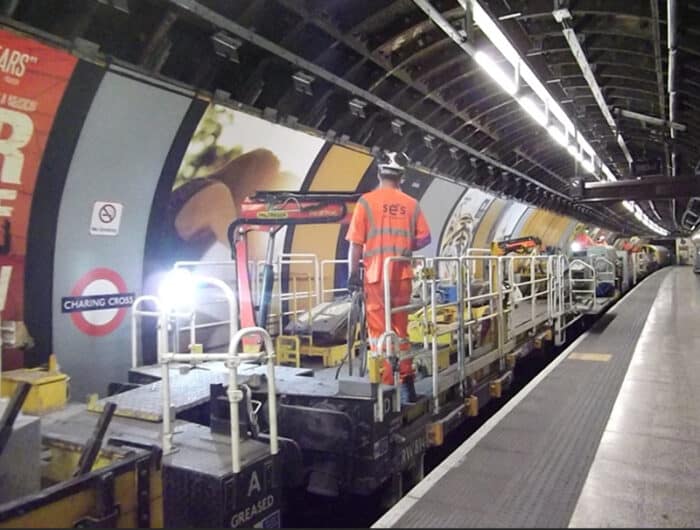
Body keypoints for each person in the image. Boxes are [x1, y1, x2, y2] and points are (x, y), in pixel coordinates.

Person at [345, 152, 432, 403]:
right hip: (401, 275)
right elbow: (425, 238)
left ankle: (385, 386)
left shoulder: (366, 202)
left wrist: (353, 275)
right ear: (402, 176)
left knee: (378, 333)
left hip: (375, 277)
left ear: (378, 173)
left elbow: (355, 244)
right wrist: (407, 246)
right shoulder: (411, 204)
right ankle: (407, 383)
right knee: (400, 331)